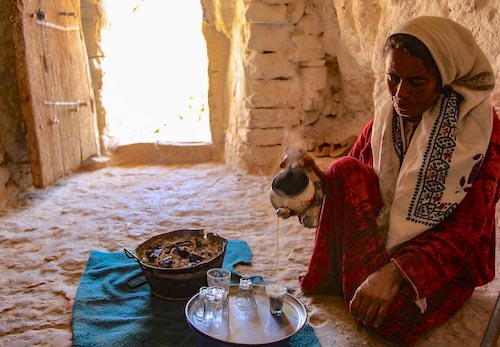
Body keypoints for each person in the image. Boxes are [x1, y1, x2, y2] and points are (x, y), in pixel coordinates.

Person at [281, 16, 499, 345]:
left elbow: (463, 233)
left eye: (416, 82)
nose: (400, 94)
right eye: (392, 78)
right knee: (343, 168)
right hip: (385, 240)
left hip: (439, 260)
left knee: (393, 320)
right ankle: (361, 281)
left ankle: (362, 281)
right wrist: (315, 175)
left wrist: (396, 273)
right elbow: (352, 183)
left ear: (444, 80)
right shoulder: (386, 119)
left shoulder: (482, 136)